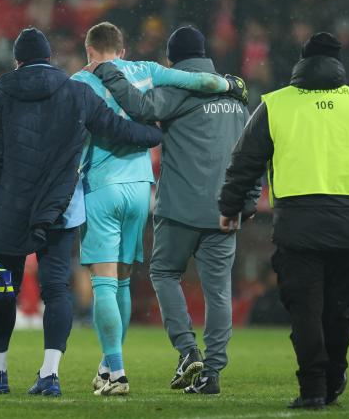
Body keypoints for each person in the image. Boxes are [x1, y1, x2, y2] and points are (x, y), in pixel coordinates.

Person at [0, 27, 164, 396]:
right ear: (50, 58)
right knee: (56, 290)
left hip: (10, 207)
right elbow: (118, 130)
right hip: (61, 206)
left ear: (17, 61)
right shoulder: (76, 92)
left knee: (4, 289)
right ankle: (49, 374)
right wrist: (159, 134)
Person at [218, 32, 349, 409]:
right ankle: (335, 377)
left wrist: (231, 207)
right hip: (348, 224)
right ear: (339, 61)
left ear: (302, 61)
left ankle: (313, 389)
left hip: (297, 226)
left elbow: (244, 163)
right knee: (338, 309)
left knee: (305, 310)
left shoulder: (276, 104)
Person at [73, 22, 245, 396]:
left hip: (169, 204)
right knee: (218, 292)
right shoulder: (237, 98)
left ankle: (172, 354)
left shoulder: (169, 88)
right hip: (217, 207)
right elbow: (250, 156)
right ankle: (211, 371)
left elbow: (140, 107)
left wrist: (106, 72)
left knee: (158, 274)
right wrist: (244, 203)